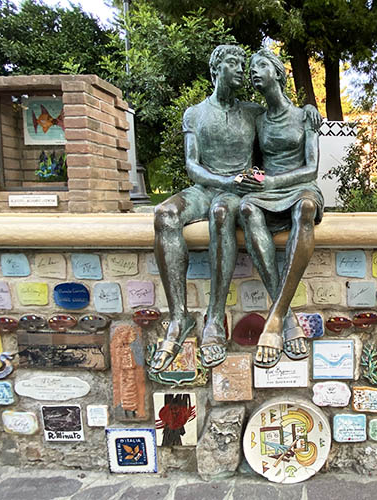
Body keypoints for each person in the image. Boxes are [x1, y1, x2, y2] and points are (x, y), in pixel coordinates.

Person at [150, 45, 264, 371]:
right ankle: (178, 318)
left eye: (243, 64)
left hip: (236, 193)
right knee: (165, 215)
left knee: (222, 214)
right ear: (216, 68)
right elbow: (191, 165)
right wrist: (222, 180)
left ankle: (214, 318)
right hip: (203, 188)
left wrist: (311, 112)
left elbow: (281, 136)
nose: (241, 69)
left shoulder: (253, 112)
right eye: (234, 63)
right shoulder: (194, 114)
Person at [239, 48, 324, 368]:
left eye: (261, 65)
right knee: (247, 209)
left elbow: (312, 169)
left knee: (304, 208)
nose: (254, 72)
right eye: (251, 68)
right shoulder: (257, 119)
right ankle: (285, 317)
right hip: (267, 190)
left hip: (299, 186)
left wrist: (272, 183)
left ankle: (274, 318)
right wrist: (253, 178)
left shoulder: (305, 115)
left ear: (278, 73)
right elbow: (256, 165)